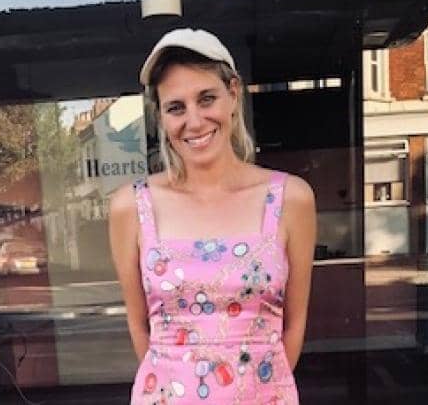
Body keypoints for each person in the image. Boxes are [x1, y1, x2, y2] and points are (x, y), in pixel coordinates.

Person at [108, 28, 316, 404]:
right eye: (176, 107)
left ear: (233, 94)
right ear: (161, 116)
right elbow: (140, 327)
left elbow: (295, 322)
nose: (195, 121)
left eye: (207, 99)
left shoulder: (290, 199)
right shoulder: (132, 207)